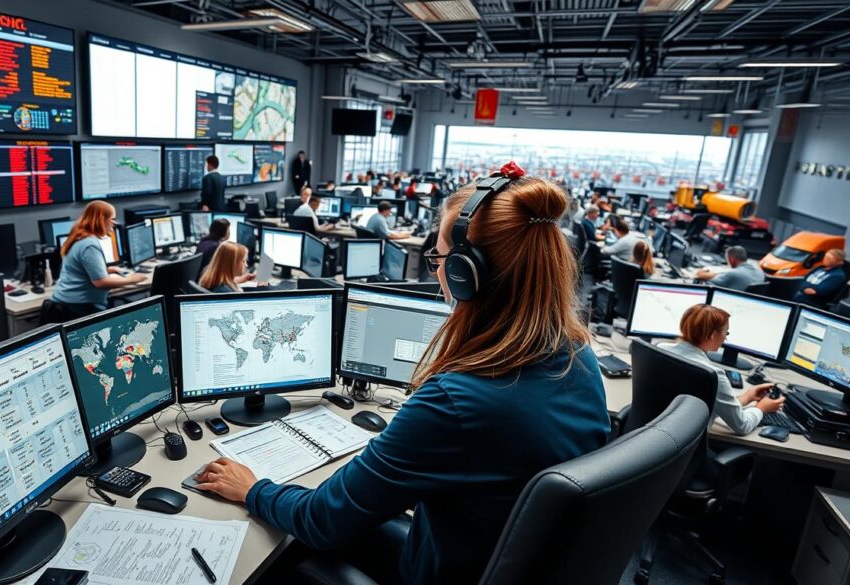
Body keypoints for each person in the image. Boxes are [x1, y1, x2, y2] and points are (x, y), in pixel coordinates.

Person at [193, 167, 610, 585]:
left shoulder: (455, 400)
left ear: (468, 274)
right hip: (493, 556)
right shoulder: (576, 354)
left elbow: (322, 520)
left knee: (298, 565)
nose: (436, 272)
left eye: (440, 259)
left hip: (447, 570)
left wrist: (251, 488)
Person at [662, 304, 784, 435]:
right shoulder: (712, 374)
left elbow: (710, 403)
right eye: (726, 332)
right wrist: (761, 408)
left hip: (652, 437)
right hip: (684, 446)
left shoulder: (661, 349)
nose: (726, 338)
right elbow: (742, 426)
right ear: (713, 335)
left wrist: (747, 397)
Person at [52, 201, 145, 311]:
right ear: (101, 220)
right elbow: (100, 283)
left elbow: (80, 270)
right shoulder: (90, 244)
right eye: (112, 219)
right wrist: (131, 279)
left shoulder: (79, 236)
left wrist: (106, 270)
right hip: (78, 307)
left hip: (66, 303)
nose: (114, 223)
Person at [695, 246, 765, 291]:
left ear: (731, 259)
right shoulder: (760, 272)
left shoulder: (732, 274)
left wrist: (703, 272)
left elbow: (702, 276)